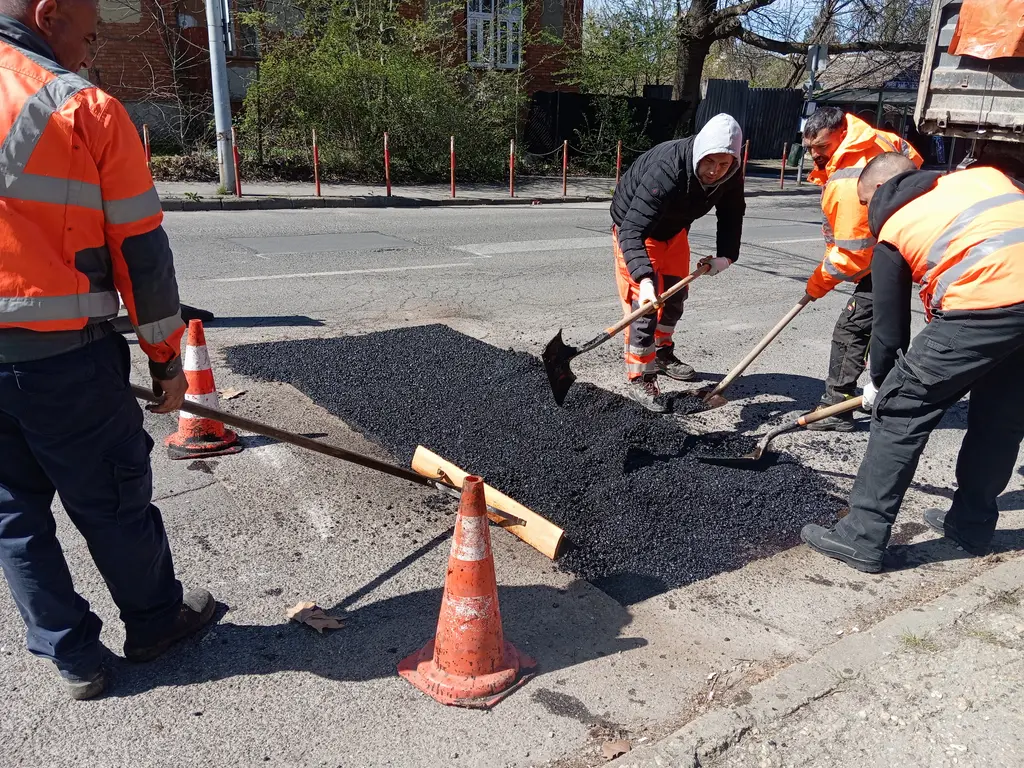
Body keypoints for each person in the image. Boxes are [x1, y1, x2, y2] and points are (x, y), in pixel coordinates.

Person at [0, 0, 215, 700]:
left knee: (12, 514)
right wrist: (165, 359)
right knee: (113, 499)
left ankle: (75, 660)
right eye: (88, 35)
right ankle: (155, 622)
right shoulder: (78, 105)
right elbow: (140, 249)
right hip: (64, 361)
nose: (88, 53)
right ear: (48, 13)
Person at [802, 153, 1024, 573]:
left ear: (879, 192)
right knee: (1000, 419)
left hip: (989, 299)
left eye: (865, 203)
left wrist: (884, 385)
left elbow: (889, 326)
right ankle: (971, 526)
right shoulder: (981, 179)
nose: (865, 211)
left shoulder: (895, 225)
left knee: (901, 410)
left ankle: (861, 535)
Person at [610, 113, 745, 412]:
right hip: (635, 229)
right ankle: (640, 375)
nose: (715, 171)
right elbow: (632, 229)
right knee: (646, 306)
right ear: (700, 151)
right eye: (710, 162)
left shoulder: (731, 173)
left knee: (675, 295)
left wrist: (727, 256)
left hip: (675, 229)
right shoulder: (667, 169)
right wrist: (644, 280)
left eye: (724, 164)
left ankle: (662, 352)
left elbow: (732, 212)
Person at [800, 107, 923, 431]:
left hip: (884, 258)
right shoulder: (879, 140)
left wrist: (816, 285)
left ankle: (836, 407)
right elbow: (913, 161)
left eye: (821, 148)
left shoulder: (850, 178)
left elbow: (853, 253)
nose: (815, 155)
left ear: (842, 133)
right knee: (883, 332)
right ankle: (892, 400)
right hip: (899, 248)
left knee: (852, 328)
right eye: (809, 148)